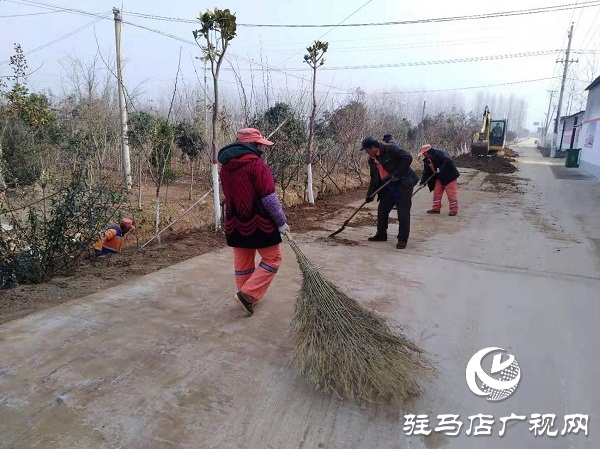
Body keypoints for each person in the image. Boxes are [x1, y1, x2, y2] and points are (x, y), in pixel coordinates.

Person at [218, 127, 291, 316]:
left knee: (243, 262)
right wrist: (281, 222)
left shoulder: (225, 166)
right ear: (252, 145)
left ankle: (245, 296)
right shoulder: (256, 165)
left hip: (235, 223)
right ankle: (247, 294)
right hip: (259, 223)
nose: (261, 148)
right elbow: (269, 198)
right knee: (273, 259)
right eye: (259, 145)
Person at [361, 136, 419, 249]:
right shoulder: (372, 160)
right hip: (388, 187)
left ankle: (402, 239)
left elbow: (408, 157)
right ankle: (381, 235)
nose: (367, 153)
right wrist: (370, 195)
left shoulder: (390, 149)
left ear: (373, 147)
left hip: (402, 185)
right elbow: (374, 179)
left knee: (403, 212)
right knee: (382, 210)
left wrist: (398, 173)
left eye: (367, 150)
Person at [418, 144, 461, 216]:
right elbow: (426, 173)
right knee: (437, 193)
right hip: (439, 177)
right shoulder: (427, 161)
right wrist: (423, 183)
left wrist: (441, 168)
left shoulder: (440, 153)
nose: (423, 155)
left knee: (451, 194)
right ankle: (436, 208)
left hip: (449, 176)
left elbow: (448, 160)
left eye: (423, 153)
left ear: (428, 152)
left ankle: (454, 209)